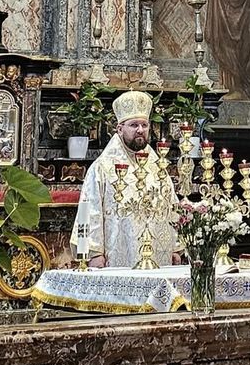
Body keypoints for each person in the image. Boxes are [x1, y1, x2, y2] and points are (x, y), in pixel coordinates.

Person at [73, 90, 178, 269]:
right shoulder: (102, 167)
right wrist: (93, 253)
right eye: (134, 125)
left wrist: (176, 246)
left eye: (144, 125)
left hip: (158, 255)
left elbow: (171, 205)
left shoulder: (158, 166)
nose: (140, 130)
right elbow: (90, 210)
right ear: (120, 129)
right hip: (117, 255)